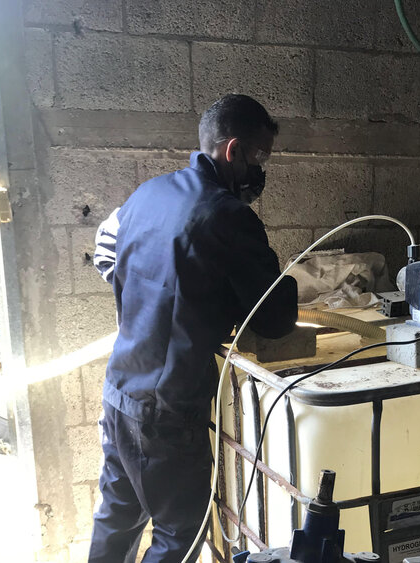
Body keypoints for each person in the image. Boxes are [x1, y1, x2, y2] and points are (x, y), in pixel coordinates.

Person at [88, 94, 298, 563]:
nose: (262, 169)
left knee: (118, 516)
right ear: (233, 151)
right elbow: (276, 317)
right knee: (180, 533)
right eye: (260, 156)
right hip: (165, 411)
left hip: (120, 390)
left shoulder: (148, 194)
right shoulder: (227, 215)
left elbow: (151, 276)